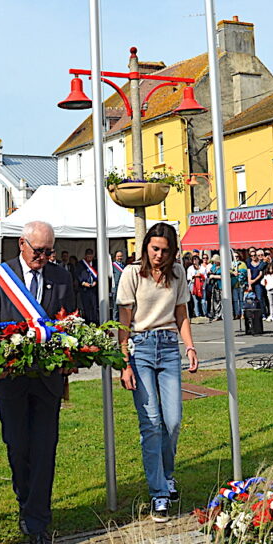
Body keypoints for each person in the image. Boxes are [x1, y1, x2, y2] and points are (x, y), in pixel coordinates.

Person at [0, 221, 76, 544]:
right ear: (22, 244)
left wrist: (70, 349)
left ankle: (38, 522)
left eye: (50, 251)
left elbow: (71, 322)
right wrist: (13, 346)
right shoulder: (0, 278)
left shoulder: (61, 277)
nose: (45, 257)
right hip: (12, 380)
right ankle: (25, 500)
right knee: (18, 447)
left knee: (45, 449)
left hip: (48, 380)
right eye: (39, 251)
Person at [116, 223, 198, 523]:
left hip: (168, 347)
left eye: (165, 250)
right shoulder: (130, 275)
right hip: (140, 348)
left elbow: (181, 314)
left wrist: (189, 347)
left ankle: (167, 475)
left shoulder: (177, 275)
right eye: (154, 249)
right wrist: (124, 363)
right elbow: (123, 321)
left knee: (173, 420)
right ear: (146, 247)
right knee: (151, 423)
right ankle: (159, 494)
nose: (159, 256)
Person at [76, 248, 99, 323]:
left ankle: (95, 321)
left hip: (93, 288)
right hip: (84, 288)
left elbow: (98, 274)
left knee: (94, 305)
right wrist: (83, 283)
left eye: (91, 256)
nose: (90, 258)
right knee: (86, 306)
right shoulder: (80, 264)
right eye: (88, 256)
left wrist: (96, 281)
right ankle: (88, 321)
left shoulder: (96, 263)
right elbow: (77, 275)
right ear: (85, 255)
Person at [246, 248, 268, 316]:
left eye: (254, 255)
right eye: (251, 256)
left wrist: (253, 281)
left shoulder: (260, 263)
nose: (253, 257)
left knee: (260, 298)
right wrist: (250, 284)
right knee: (253, 299)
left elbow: (260, 274)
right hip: (252, 283)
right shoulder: (249, 264)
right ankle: (256, 313)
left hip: (258, 283)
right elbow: (249, 274)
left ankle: (264, 313)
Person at [111, 250, 125, 318]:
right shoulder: (112, 266)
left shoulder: (124, 265)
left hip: (123, 288)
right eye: (118, 256)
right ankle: (115, 321)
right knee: (115, 307)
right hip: (116, 288)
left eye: (121, 256)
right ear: (115, 257)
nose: (120, 257)